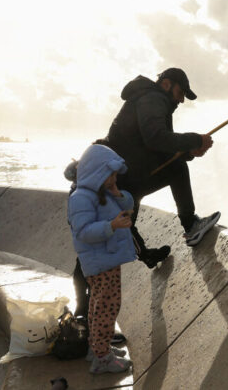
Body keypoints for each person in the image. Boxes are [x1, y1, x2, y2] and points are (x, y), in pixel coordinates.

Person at [102, 67, 221, 268]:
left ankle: (146, 254)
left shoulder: (152, 99)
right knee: (177, 169)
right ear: (167, 84)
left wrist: (190, 152)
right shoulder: (153, 98)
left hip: (126, 174)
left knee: (125, 225)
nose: (182, 100)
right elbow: (156, 138)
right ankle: (191, 225)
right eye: (181, 92)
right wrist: (194, 140)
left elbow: (160, 149)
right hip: (122, 176)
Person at [67, 144, 134, 374]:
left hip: (106, 260)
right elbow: (83, 231)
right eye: (111, 174)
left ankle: (96, 349)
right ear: (97, 171)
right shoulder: (81, 198)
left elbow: (128, 205)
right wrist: (111, 226)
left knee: (100, 307)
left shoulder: (102, 192)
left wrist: (117, 192)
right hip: (100, 263)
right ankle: (102, 358)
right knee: (106, 308)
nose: (114, 178)